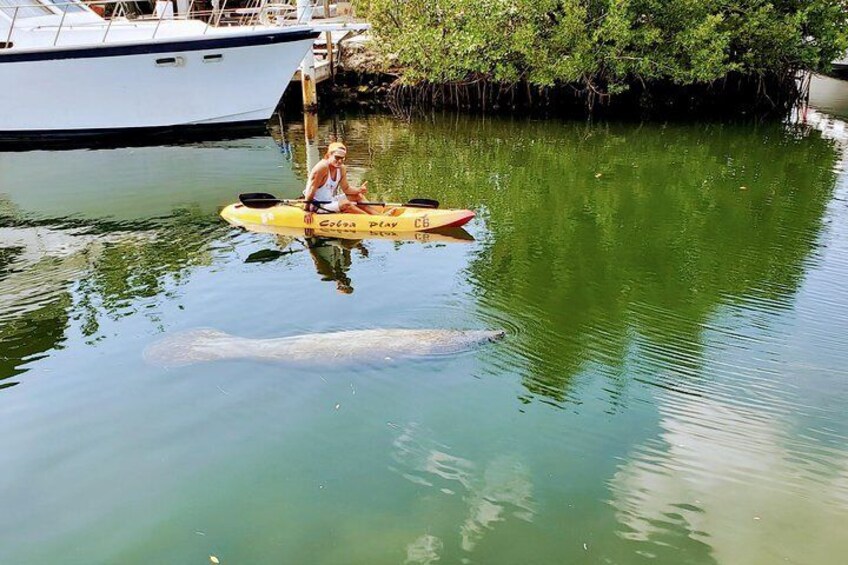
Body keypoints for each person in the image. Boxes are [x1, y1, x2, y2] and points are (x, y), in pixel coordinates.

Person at [303, 142, 373, 215]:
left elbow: (346, 189)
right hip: (317, 204)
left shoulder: (341, 168)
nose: (340, 161)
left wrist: (359, 190)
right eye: (337, 157)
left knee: (357, 196)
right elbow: (311, 190)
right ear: (329, 155)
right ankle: (371, 219)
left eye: (342, 158)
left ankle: (378, 215)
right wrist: (306, 210)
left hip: (330, 200)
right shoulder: (322, 167)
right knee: (346, 204)